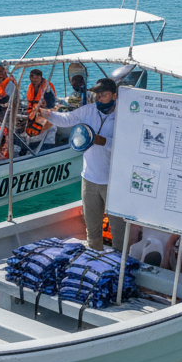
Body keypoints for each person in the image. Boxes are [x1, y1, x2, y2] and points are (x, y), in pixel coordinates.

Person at [34, 78, 123, 251]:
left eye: (103, 95)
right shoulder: (89, 110)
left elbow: (126, 146)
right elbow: (67, 119)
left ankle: (120, 261)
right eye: (97, 95)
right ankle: (94, 257)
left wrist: (102, 141)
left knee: (118, 230)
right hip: (89, 178)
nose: (99, 98)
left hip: (113, 182)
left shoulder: (124, 115)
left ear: (114, 96)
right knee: (92, 229)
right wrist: (46, 113)